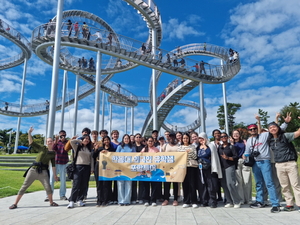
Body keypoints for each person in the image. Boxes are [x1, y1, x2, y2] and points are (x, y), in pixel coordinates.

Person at [244, 114, 290, 213]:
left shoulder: (264, 135)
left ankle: (275, 204)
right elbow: (246, 152)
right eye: (251, 130)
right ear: (248, 131)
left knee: (269, 183)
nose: (253, 131)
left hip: (265, 161)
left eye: (254, 129)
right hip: (255, 163)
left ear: (257, 129)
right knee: (259, 183)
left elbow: (277, 129)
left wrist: (285, 123)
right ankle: (260, 201)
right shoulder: (249, 140)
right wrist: (246, 157)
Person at [9, 127, 59, 209]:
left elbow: (53, 165)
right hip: (34, 170)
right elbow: (31, 143)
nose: (50, 142)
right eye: (48, 141)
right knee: (24, 186)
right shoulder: (42, 148)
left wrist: (55, 175)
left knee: (48, 187)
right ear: (46, 142)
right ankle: (15, 203)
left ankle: (51, 202)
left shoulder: (53, 153)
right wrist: (29, 133)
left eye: (51, 141)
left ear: (53, 142)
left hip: (43, 172)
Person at [267, 119, 300, 212]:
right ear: (268, 130)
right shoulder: (270, 140)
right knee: (284, 186)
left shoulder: (285, 136)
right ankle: (289, 204)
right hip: (279, 165)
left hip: (290, 163)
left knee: (296, 185)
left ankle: (299, 204)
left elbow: (298, 133)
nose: (272, 128)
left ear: (278, 128)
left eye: (274, 126)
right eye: (270, 127)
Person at [67, 135, 94, 208]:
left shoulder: (89, 149)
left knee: (83, 184)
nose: (86, 140)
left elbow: (91, 159)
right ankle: (72, 200)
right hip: (78, 166)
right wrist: (80, 141)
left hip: (87, 167)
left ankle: (80, 199)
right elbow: (71, 142)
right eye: (85, 138)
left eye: (88, 139)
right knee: (76, 184)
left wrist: (92, 168)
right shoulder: (77, 147)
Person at [198, 132, 222, 208]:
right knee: (203, 184)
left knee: (211, 185)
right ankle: (204, 200)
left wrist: (205, 145)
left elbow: (209, 154)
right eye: (199, 139)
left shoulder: (210, 146)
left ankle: (213, 201)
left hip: (209, 167)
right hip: (201, 168)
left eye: (202, 138)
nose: (201, 140)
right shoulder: (198, 147)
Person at [218, 132, 241, 208]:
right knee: (224, 185)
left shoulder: (231, 147)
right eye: (222, 136)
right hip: (222, 168)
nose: (223, 137)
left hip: (230, 166)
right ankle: (229, 201)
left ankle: (237, 201)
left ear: (227, 137)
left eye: (225, 136)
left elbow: (235, 157)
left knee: (231, 184)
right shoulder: (219, 147)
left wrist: (228, 158)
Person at [229, 130, 252, 205]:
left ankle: (248, 199)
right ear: (232, 135)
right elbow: (230, 153)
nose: (235, 135)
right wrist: (232, 144)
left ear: (239, 134)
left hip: (244, 161)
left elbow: (249, 149)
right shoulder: (231, 143)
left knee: (247, 181)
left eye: (237, 133)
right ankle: (241, 199)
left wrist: (246, 154)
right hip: (236, 162)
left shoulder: (244, 142)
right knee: (239, 182)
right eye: (234, 133)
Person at [93, 136, 115, 207]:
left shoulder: (112, 149)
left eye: (107, 140)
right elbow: (93, 156)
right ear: (103, 141)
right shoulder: (100, 148)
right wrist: (96, 150)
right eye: (105, 140)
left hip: (108, 168)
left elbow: (114, 157)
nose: (106, 141)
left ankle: (105, 200)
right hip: (99, 167)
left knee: (106, 184)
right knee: (99, 184)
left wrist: (108, 152)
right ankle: (99, 200)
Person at [178, 133, 198, 208]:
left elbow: (195, 156)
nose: (185, 139)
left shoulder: (192, 147)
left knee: (192, 184)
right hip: (183, 167)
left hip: (191, 167)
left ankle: (194, 201)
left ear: (189, 139)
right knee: (185, 184)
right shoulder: (180, 147)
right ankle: (186, 201)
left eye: (186, 138)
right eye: (184, 138)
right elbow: (178, 157)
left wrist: (190, 152)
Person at [116, 134, 136, 206]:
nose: (126, 140)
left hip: (129, 169)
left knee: (128, 184)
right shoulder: (119, 147)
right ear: (123, 139)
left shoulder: (132, 148)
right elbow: (116, 157)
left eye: (128, 138)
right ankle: (121, 200)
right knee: (120, 184)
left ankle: (127, 201)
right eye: (125, 138)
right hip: (120, 169)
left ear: (129, 140)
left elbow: (135, 158)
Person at [141, 137, 160, 206]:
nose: (150, 142)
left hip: (154, 170)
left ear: (153, 142)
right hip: (146, 170)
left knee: (154, 186)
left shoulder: (156, 149)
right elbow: (140, 159)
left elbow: (159, 159)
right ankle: (146, 200)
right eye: (149, 141)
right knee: (146, 186)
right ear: (147, 142)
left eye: (151, 141)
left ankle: (153, 200)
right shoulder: (144, 149)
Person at [161, 133, 179, 206]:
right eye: (170, 136)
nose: (171, 138)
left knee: (175, 183)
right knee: (166, 183)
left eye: (173, 136)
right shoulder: (165, 145)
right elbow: (160, 154)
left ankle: (175, 199)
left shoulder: (178, 146)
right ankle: (166, 199)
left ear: (175, 137)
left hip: (176, 167)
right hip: (167, 168)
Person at [51, 130, 69, 201]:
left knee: (63, 180)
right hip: (56, 162)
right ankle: (49, 195)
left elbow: (66, 149)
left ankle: (62, 195)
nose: (62, 136)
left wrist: (64, 142)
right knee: (51, 179)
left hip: (64, 162)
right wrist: (56, 139)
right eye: (61, 135)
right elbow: (53, 148)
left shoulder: (67, 142)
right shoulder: (56, 141)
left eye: (64, 135)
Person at [211, 129, 223, 202]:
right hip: (215, 163)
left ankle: (226, 197)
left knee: (223, 181)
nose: (217, 134)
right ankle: (218, 196)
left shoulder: (223, 142)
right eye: (215, 133)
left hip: (223, 163)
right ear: (213, 135)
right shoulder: (212, 143)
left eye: (218, 133)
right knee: (216, 181)